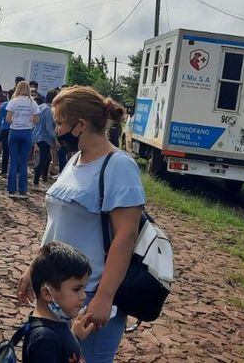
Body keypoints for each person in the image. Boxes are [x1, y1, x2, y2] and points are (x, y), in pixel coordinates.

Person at [18, 86, 143, 363]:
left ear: (81, 125)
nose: (58, 130)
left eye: (61, 123)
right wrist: (35, 269)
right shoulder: (75, 160)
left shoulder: (119, 166)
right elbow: (57, 224)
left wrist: (104, 296)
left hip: (89, 294)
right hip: (58, 291)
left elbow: (125, 236)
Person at [23, 242, 96, 363]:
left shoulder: (54, 326)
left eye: (84, 288)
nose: (83, 296)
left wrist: (75, 337)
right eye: (76, 289)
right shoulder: (45, 340)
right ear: (47, 293)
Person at [7, 81, 40, 198]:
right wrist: (28, 120)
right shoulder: (33, 103)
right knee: (23, 162)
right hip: (27, 133)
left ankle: (11, 190)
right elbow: (36, 121)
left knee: (13, 161)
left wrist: (16, 121)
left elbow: (7, 119)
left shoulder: (13, 101)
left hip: (14, 131)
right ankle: (22, 190)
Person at [33, 88, 58, 189]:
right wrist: (55, 138)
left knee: (46, 158)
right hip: (45, 138)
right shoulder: (48, 110)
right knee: (43, 160)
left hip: (38, 136)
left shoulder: (40, 107)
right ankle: (36, 182)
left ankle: (42, 178)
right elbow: (48, 127)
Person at [0, 92, 12, 177]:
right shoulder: (18, 105)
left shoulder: (4, 105)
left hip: (5, 129)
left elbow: (0, 118)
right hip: (15, 129)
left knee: (6, 150)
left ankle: (4, 171)